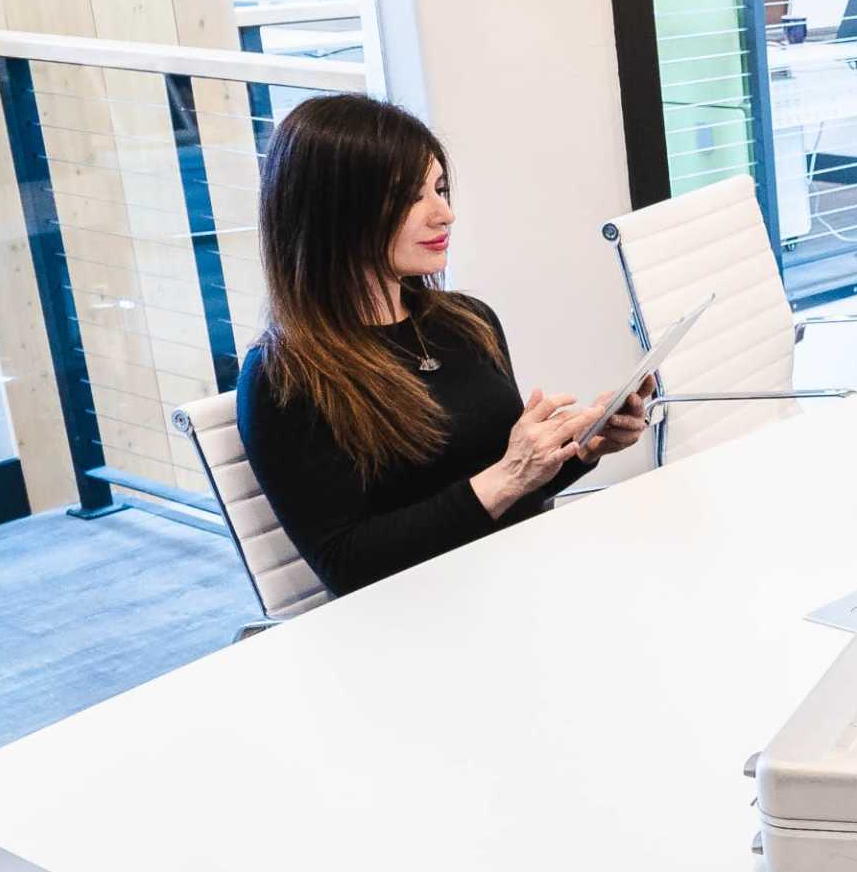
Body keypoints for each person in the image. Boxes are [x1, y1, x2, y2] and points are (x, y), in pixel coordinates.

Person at [234, 95, 646, 597]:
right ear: (335, 210)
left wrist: (579, 451)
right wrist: (510, 475)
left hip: (519, 578)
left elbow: (501, 491)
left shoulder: (468, 322)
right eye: (412, 197)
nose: (444, 214)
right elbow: (347, 565)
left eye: (441, 189)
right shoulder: (284, 376)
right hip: (419, 615)